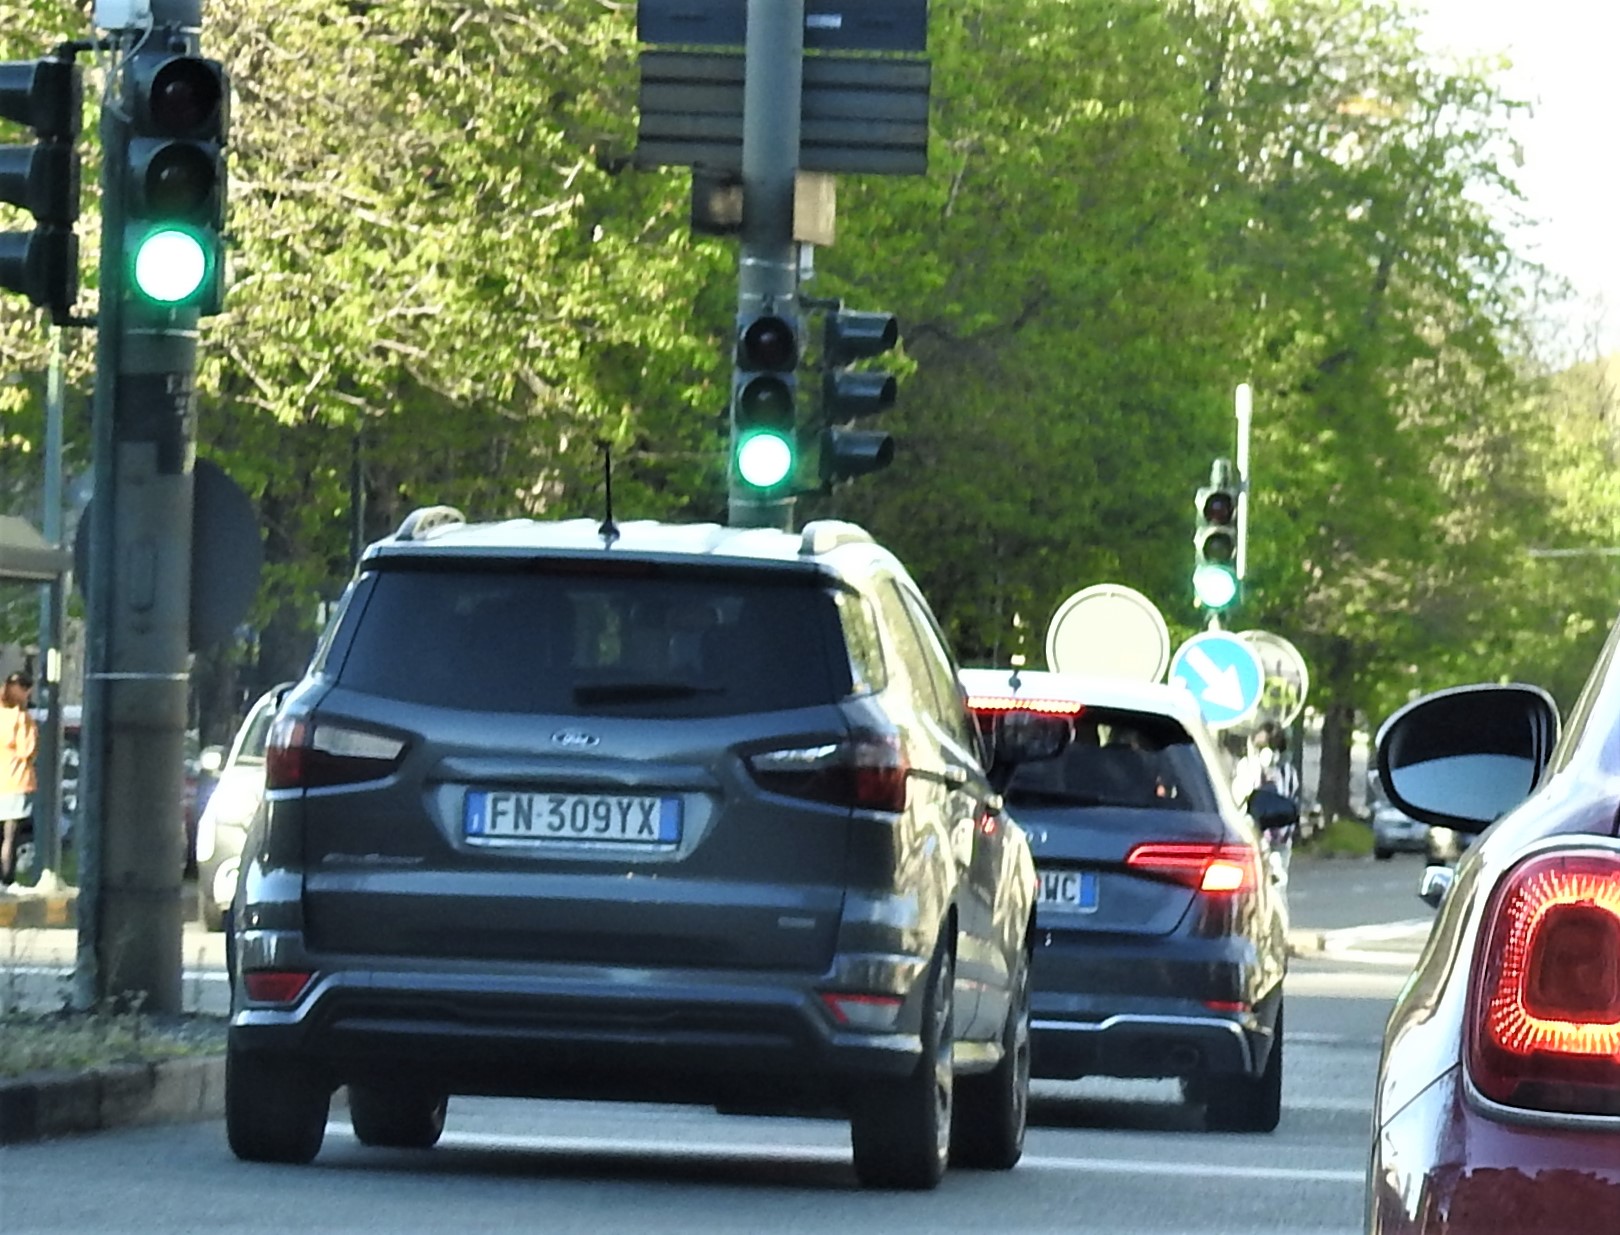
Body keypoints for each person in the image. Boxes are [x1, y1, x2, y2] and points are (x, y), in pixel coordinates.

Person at [0, 670, 38, 890]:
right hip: (15, 781)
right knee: (10, 835)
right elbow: (27, 750)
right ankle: (8, 880)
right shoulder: (21, 719)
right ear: (25, 691)